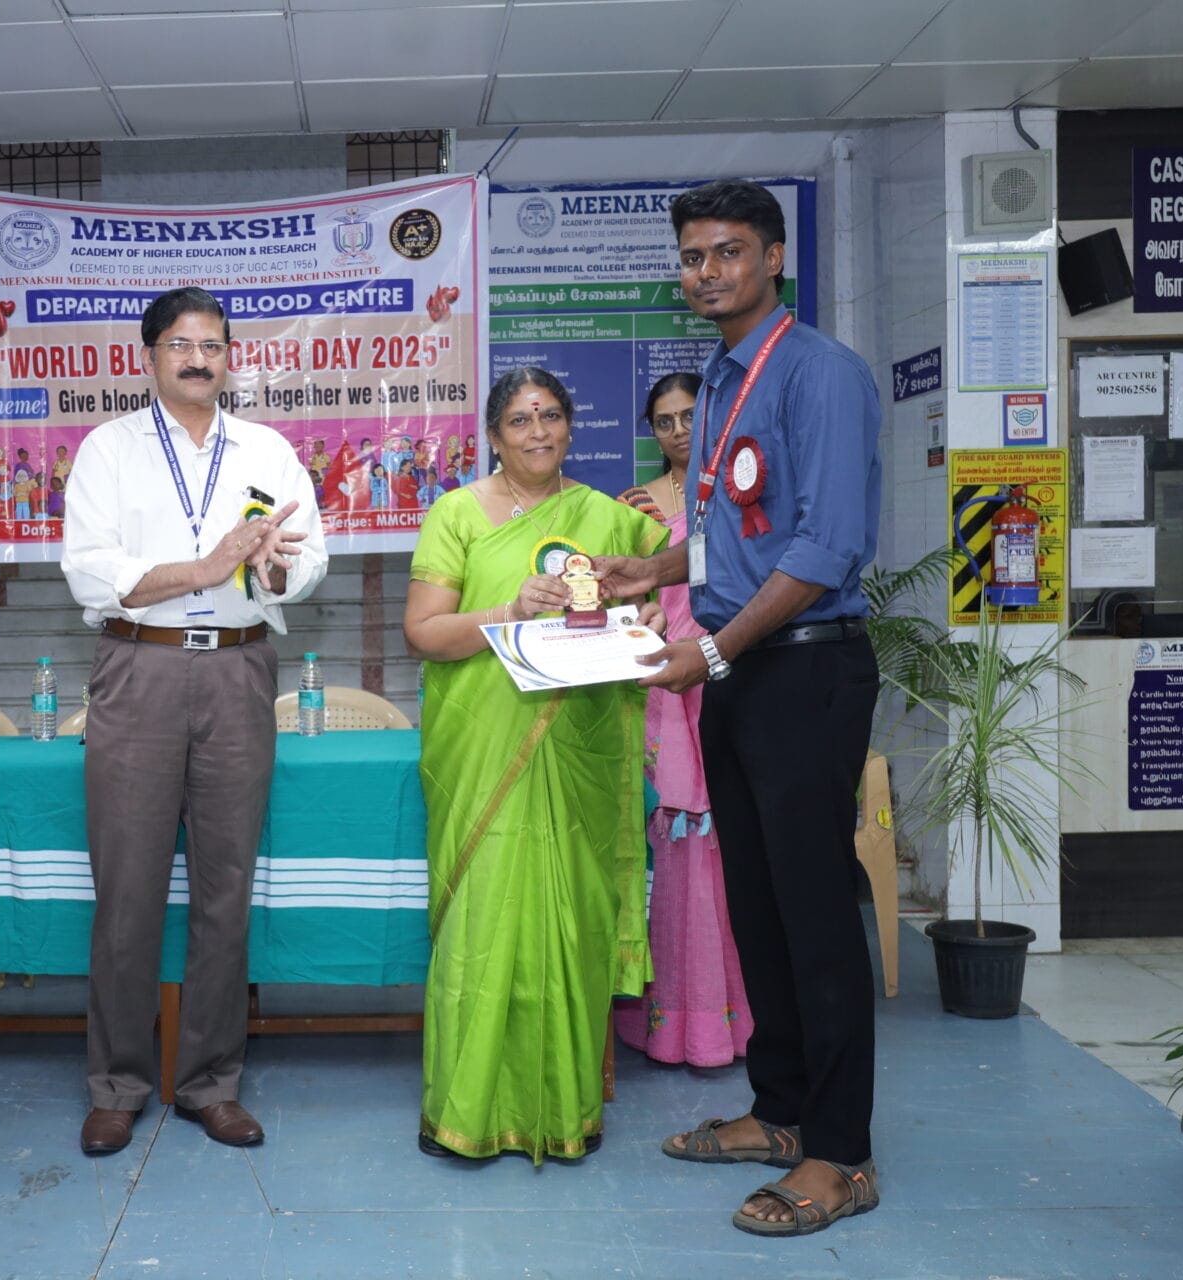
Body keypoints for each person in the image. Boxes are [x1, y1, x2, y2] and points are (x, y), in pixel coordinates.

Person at [597, 180, 882, 1236]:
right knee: (757, 907)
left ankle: (842, 1153)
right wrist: (654, 570)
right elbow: (732, 533)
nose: (706, 271)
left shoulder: (820, 372)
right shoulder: (720, 379)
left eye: (726, 251)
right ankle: (781, 1110)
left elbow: (825, 546)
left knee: (815, 915)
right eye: (692, 256)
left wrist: (713, 646)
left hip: (805, 668)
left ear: (772, 259)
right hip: (738, 671)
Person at [61, 286, 327, 1157]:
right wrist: (209, 565)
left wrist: (272, 569)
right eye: (180, 344)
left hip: (240, 669)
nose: (198, 359)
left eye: (213, 345)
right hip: (140, 667)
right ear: (148, 357)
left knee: (225, 888)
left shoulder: (268, 450)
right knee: (127, 889)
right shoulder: (108, 449)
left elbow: (307, 563)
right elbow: (92, 572)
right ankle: (116, 1085)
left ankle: (212, 1083)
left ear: (230, 358)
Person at [403, 366, 667, 1163]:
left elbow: (652, 599)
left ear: (570, 427)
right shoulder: (456, 514)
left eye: (551, 414)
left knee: (571, 923)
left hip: (580, 745)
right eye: (520, 419)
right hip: (483, 746)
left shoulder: (609, 519)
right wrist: (507, 612)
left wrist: (652, 615)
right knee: (481, 927)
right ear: (493, 435)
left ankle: (563, 1110)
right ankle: (466, 1112)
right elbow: (424, 632)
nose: (538, 430)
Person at [614, 372, 754, 1069]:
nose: (677, 431)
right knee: (666, 847)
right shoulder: (634, 507)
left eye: (688, 416)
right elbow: (617, 598)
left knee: (726, 851)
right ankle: (665, 1022)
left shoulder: (740, 492)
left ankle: (727, 1019)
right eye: (663, 421)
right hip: (661, 689)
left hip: (727, 675)